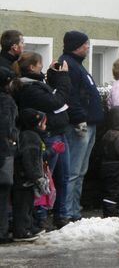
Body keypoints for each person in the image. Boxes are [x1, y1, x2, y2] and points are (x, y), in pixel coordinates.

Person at [12, 53, 72, 227]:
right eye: (40, 64)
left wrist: (52, 74)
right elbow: (56, 101)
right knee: (44, 178)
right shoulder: (28, 88)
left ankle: (61, 215)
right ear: (31, 67)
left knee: (63, 177)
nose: (41, 67)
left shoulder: (37, 83)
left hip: (58, 132)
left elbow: (52, 93)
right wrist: (64, 77)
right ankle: (41, 216)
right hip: (48, 135)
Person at [58, 30, 103, 223]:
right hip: (79, 124)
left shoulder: (77, 65)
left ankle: (74, 209)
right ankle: (67, 211)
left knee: (80, 170)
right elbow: (71, 95)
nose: (87, 47)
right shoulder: (68, 65)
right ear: (76, 45)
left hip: (88, 122)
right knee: (73, 171)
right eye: (85, 44)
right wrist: (78, 118)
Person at [12, 109, 46, 242]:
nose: (45, 126)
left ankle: (28, 225)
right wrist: (37, 177)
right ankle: (21, 231)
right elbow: (30, 160)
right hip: (24, 178)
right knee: (23, 204)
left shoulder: (28, 135)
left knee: (27, 204)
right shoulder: (30, 137)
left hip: (25, 177)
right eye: (42, 123)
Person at [0, 69, 19, 244]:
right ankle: (2, 232)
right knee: (3, 192)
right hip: (3, 152)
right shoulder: (6, 101)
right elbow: (6, 127)